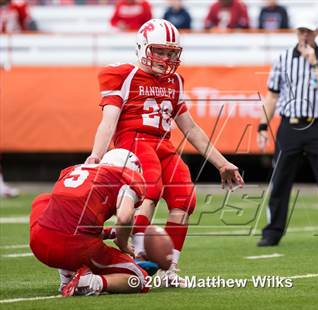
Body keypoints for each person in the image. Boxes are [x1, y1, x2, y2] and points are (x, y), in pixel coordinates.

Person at [85, 19, 244, 287]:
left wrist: (222, 163)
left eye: (172, 53)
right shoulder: (123, 74)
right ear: (142, 47)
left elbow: (191, 128)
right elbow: (109, 121)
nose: (167, 58)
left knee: (185, 198)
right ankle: (136, 255)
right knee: (152, 186)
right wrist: (95, 156)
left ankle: (170, 269)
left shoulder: (174, 81)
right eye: (160, 51)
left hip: (163, 145)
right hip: (133, 140)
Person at [256, 14, 318, 247]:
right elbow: (272, 95)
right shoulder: (283, 59)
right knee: (280, 180)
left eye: (309, 32)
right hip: (290, 124)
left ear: (316, 33)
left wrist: (314, 63)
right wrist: (262, 125)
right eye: (301, 31)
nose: (305, 36)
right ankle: (272, 231)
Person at [30, 149, 149, 296]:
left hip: (39, 242)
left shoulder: (74, 169)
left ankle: (67, 273)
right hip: (75, 248)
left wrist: (109, 232)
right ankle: (90, 283)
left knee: (44, 201)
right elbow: (124, 217)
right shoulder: (126, 176)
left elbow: (73, 217)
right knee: (141, 279)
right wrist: (122, 242)